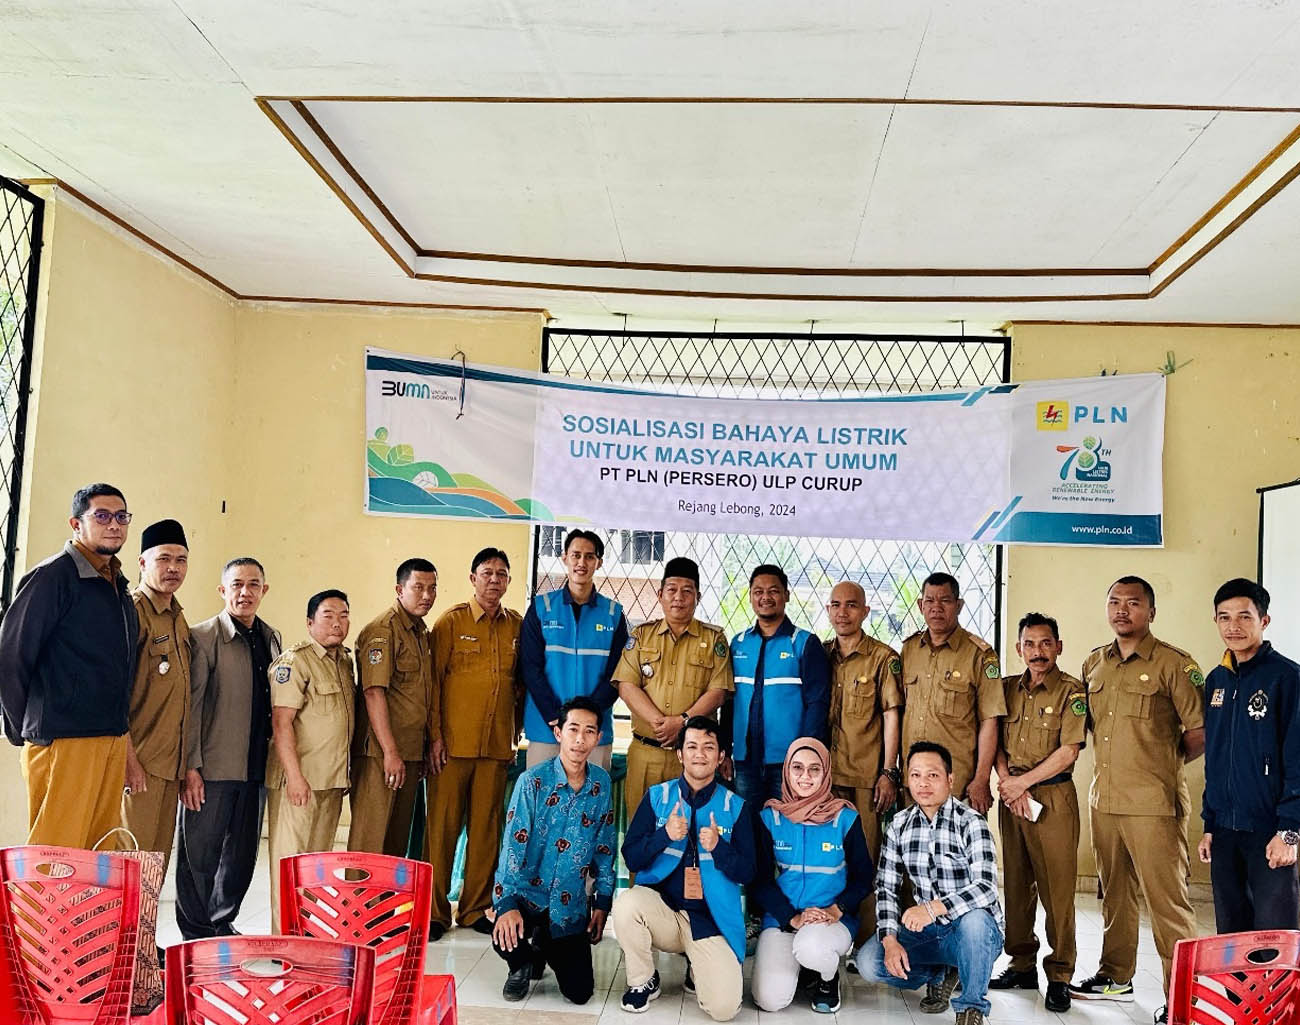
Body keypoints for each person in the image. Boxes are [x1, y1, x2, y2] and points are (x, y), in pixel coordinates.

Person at [1070, 576, 1204, 1025]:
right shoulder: (1094, 663)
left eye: (1133, 603)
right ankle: (1116, 976)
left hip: (1154, 805)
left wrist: (1160, 763)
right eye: (1114, 602)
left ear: (1151, 611)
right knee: (1115, 895)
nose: (1122, 610)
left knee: (1168, 906)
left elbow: (1199, 731)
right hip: (1103, 801)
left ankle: (1182, 997)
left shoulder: (1174, 664)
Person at [0, 483, 139, 847]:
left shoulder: (117, 584)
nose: (114, 525)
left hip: (108, 737)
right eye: (103, 516)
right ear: (76, 524)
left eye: (121, 517)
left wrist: (121, 733)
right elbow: (12, 655)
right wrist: (24, 730)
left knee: (98, 853)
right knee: (55, 859)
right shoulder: (53, 577)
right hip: (64, 740)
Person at [614, 715, 761, 1022]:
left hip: (710, 920)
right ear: (680, 754)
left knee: (724, 1009)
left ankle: (697, 969)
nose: (700, 754)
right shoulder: (658, 797)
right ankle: (643, 980)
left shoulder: (736, 807)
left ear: (721, 755)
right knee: (627, 904)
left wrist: (719, 847)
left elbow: (748, 872)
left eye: (709, 747)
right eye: (692, 746)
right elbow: (631, 857)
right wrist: (664, 835)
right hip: (664, 912)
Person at [854, 742, 1004, 1025]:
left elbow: (985, 888)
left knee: (975, 921)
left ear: (950, 779)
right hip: (929, 932)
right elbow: (886, 887)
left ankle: (971, 1008)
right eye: (915, 775)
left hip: (971, 933)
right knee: (869, 962)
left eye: (933, 775)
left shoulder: (972, 822)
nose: (923, 784)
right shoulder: (899, 825)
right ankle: (940, 973)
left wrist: (933, 908)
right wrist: (889, 939)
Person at [176, 557, 281, 940]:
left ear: (264, 590)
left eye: (254, 584)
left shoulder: (272, 638)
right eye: (237, 584)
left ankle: (221, 920)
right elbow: (191, 707)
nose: (245, 592)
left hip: (255, 768)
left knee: (240, 856)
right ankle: (196, 931)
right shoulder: (202, 637)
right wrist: (191, 767)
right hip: (213, 768)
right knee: (199, 855)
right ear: (222, 590)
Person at [490, 696, 616, 1004]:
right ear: (559, 733)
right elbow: (511, 848)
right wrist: (505, 903)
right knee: (505, 930)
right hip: (526, 896)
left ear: (598, 738)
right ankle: (520, 964)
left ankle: (544, 944)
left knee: (579, 992)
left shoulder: (601, 784)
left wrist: (603, 902)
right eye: (573, 729)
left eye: (589, 731)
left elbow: (605, 847)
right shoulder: (532, 781)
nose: (580, 739)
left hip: (568, 904)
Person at [989, 613, 1086, 1013]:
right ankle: (1022, 963)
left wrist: (1021, 783)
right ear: (1019, 649)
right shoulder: (1008, 689)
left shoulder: (1071, 692)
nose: (1038, 652)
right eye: (1029, 644)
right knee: (1015, 883)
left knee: (1057, 890)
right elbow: (992, 737)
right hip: (1013, 799)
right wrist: (1006, 779)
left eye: (1046, 644)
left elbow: (1068, 750)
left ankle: (1060, 973)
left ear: (1058, 647)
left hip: (1053, 799)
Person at [427, 547, 523, 940]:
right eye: (487, 573)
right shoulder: (451, 622)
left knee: (486, 831)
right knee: (443, 830)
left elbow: (521, 684)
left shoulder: (516, 625)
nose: (494, 580)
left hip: (496, 746)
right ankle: (434, 913)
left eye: (502, 574)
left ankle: (474, 909)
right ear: (472, 578)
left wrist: (515, 729)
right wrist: (434, 737)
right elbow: (432, 685)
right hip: (452, 747)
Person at [1198, 578, 1300, 932]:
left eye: (1244, 617)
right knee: (1231, 933)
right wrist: (1210, 825)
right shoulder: (1216, 681)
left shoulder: (1288, 678)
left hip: (1269, 831)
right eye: (1224, 617)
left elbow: (1297, 758)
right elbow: (1216, 758)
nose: (1233, 626)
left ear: (1264, 621)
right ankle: (1238, 992)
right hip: (1225, 832)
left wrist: (1289, 830)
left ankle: (1278, 992)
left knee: (1274, 933)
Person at [752, 738, 874, 1015]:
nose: (805, 777)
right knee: (770, 1000)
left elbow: (864, 877)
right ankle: (805, 970)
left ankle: (827, 979)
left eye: (814, 769)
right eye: (797, 768)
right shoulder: (771, 817)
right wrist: (790, 917)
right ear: (786, 771)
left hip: (831, 918)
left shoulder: (845, 818)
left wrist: (836, 909)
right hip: (785, 917)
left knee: (811, 947)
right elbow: (760, 880)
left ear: (826, 773)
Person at [614, 556, 733, 821]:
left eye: (687, 591)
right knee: (642, 832)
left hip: (695, 757)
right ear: (660, 594)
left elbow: (719, 691)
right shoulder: (641, 636)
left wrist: (682, 722)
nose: (678, 597)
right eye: (672, 590)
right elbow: (626, 685)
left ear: (698, 596)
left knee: (693, 834)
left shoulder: (714, 639)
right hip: (646, 753)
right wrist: (661, 723)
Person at [266, 589, 356, 928]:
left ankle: (308, 932)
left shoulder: (344, 661)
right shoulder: (295, 661)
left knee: (317, 866)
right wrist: (295, 777)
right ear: (309, 622)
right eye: (328, 615)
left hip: (330, 782)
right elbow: (281, 722)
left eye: (343, 615)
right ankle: (283, 939)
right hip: (298, 783)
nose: (337, 623)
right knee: (290, 863)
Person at [823, 580, 901, 943]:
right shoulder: (821, 655)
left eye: (851, 605)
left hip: (867, 780)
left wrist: (888, 772)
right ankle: (830, 930)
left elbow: (890, 716)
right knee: (828, 861)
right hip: (826, 781)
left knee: (866, 861)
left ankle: (866, 941)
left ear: (865, 611)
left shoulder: (883, 658)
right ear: (828, 611)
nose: (843, 612)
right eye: (836, 605)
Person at [348, 558, 438, 857]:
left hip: (409, 753)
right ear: (400, 589)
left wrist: (420, 749)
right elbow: (374, 693)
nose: (427, 595)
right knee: (370, 841)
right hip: (381, 754)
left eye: (432, 588)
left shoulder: (420, 632)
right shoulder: (383, 631)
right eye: (418, 588)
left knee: (395, 845)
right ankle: (360, 904)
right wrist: (390, 752)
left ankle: (385, 904)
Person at [723, 563, 831, 806]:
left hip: (788, 764)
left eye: (773, 591)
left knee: (784, 831)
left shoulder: (804, 643)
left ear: (786, 595)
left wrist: (805, 757)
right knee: (747, 831)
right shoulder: (738, 644)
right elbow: (729, 703)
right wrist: (725, 750)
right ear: (750, 596)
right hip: (745, 762)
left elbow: (817, 704)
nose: (765, 597)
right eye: (758, 591)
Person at [520, 529, 627, 772]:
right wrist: (557, 719)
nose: (582, 562)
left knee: (591, 805)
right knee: (541, 804)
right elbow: (530, 668)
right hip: (547, 729)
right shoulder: (541, 608)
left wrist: (586, 722)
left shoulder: (613, 614)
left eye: (589, 557)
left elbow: (618, 674)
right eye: (576, 555)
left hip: (593, 734)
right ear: (564, 557)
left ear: (598, 562)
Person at [900, 572, 1005, 813]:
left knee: (958, 851)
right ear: (920, 605)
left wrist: (981, 779)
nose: (936, 608)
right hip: (913, 784)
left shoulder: (979, 654)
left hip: (958, 784)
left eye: (945, 600)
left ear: (958, 605)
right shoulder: (909, 650)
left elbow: (990, 721)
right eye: (930, 600)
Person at [121, 519, 191, 874]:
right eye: (164, 559)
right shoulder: (131, 613)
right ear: (143, 563)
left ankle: (143, 933)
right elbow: (114, 693)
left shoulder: (177, 617)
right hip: (139, 765)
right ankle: (121, 932)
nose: (173, 568)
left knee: (155, 865)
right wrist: (128, 761)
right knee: (129, 864)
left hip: (169, 767)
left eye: (181, 560)